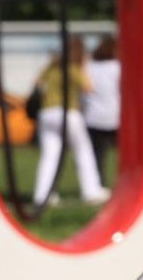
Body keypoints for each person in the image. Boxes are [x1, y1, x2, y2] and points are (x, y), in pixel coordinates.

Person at [32, 37, 108, 208]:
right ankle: (91, 191)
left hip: (47, 112)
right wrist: (84, 68)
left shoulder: (53, 66)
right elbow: (88, 87)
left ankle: (43, 195)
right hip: (68, 112)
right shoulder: (73, 68)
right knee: (83, 150)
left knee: (50, 155)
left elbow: (37, 82)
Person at [82, 35, 121, 183]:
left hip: (93, 116)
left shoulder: (89, 67)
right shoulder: (116, 67)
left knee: (97, 154)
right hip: (114, 115)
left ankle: (98, 182)